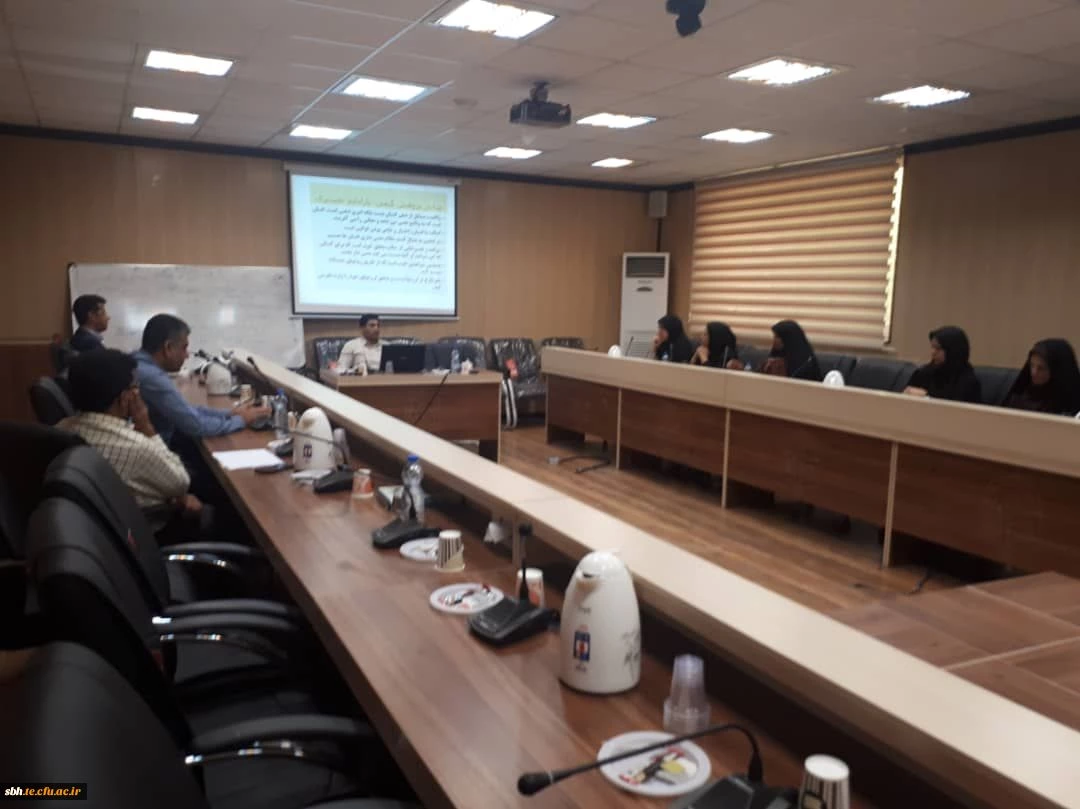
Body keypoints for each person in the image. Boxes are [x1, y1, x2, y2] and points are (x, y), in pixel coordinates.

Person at [59, 349, 198, 521]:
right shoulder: (135, 447)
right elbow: (181, 483)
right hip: (148, 530)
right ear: (125, 398)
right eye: (135, 386)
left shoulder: (61, 427)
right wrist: (147, 427)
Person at [133, 313, 269, 445]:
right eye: (184, 348)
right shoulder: (152, 377)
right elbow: (195, 425)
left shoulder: (139, 364)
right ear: (168, 347)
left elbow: (185, 410)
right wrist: (241, 420)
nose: (187, 355)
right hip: (158, 451)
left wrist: (230, 413)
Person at [1003, 339, 1080, 416]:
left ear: (1056, 371)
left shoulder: (1070, 405)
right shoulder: (1020, 396)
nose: (1034, 372)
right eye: (1032, 365)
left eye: (1041, 368)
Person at [905, 326, 981, 403]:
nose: (933, 352)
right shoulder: (924, 373)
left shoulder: (968, 382)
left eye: (938, 348)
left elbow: (956, 407)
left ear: (953, 351)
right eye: (932, 347)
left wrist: (926, 397)